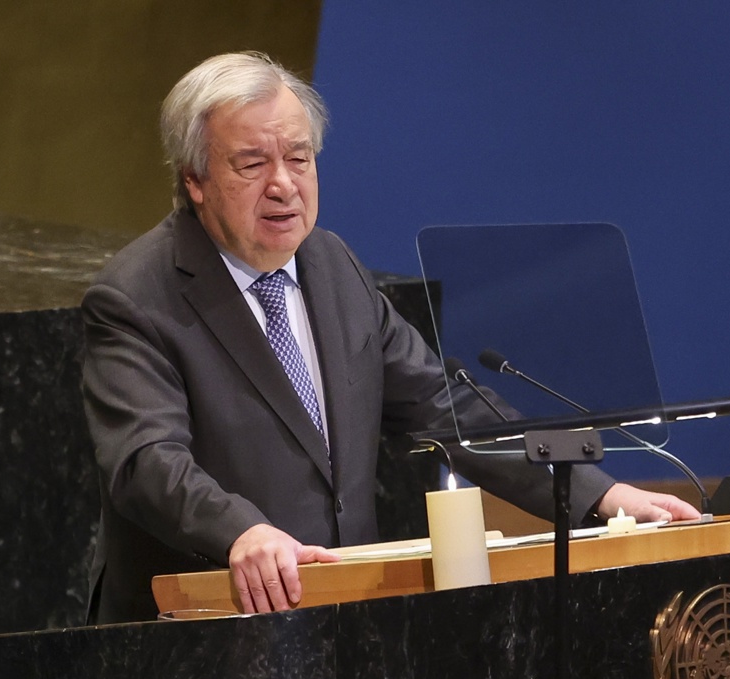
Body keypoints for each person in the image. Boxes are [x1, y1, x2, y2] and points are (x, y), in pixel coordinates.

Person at [81, 52, 698, 623]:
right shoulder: (138, 295)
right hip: (195, 632)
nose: (283, 184)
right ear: (194, 178)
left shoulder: (332, 265)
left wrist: (601, 494)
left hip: (342, 615)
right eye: (251, 163)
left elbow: (443, 406)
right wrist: (240, 530)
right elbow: (145, 460)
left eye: (299, 158)